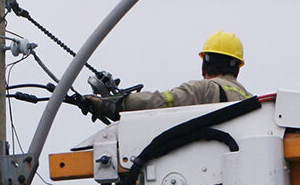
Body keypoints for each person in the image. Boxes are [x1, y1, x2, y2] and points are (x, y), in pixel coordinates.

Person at [81, 31, 250, 122]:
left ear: (204, 64)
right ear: (238, 69)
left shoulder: (204, 90)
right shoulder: (250, 101)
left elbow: (162, 101)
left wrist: (112, 104)